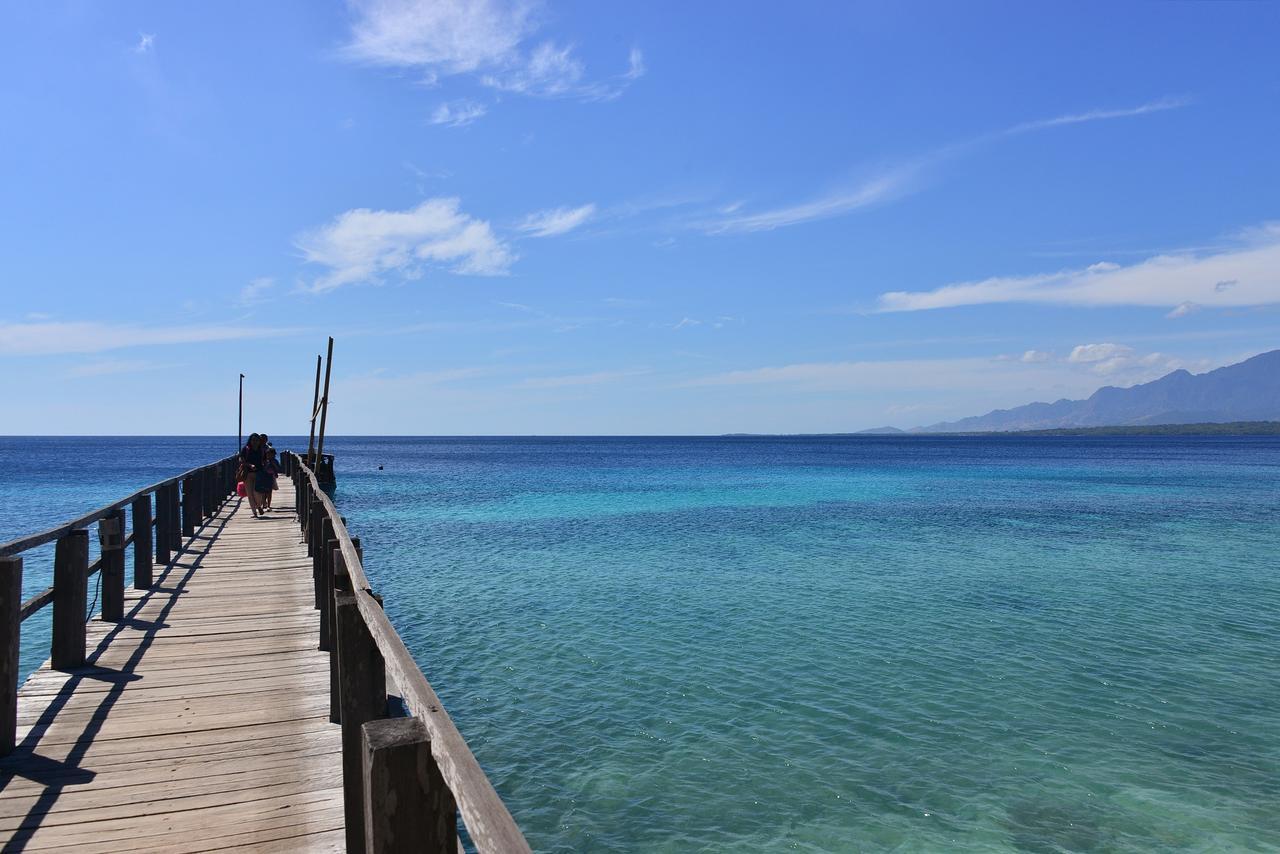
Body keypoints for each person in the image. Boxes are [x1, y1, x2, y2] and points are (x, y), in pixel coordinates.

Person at [238, 433, 266, 517]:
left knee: (257, 492)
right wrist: (250, 465)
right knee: (250, 494)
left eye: (256, 440)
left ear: (259, 441)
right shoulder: (246, 449)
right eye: (253, 440)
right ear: (250, 440)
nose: (255, 442)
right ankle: (254, 512)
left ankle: (258, 505)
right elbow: (241, 460)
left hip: (259, 473)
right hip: (247, 473)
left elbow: (264, 460)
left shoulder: (261, 450)